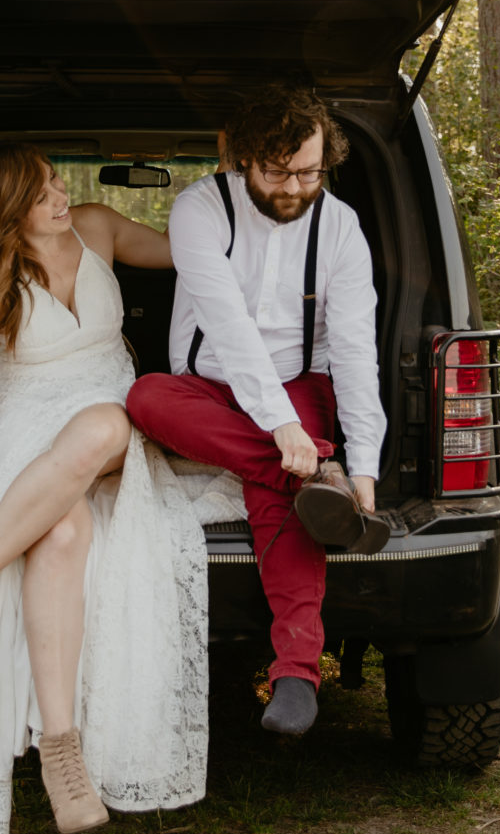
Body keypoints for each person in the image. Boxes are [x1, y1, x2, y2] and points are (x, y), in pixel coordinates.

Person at [0, 142, 221, 834]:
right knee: (63, 536)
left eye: (53, 183)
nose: (59, 197)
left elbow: (187, 253)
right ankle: (62, 754)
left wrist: (235, 196)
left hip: (106, 411)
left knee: (105, 423)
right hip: (27, 433)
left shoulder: (98, 227)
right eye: (40, 194)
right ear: (6, 210)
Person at [126, 86, 390, 740]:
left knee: (275, 498)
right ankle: (307, 478)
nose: (296, 186)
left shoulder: (340, 230)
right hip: (210, 388)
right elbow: (228, 326)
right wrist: (289, 440)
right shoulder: (199, 209)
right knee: (144, 397)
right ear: (244, 160)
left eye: (309, 170)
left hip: (300, 381)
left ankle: (297, 673)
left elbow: (356, 351)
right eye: (279, 172)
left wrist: (362, 469)